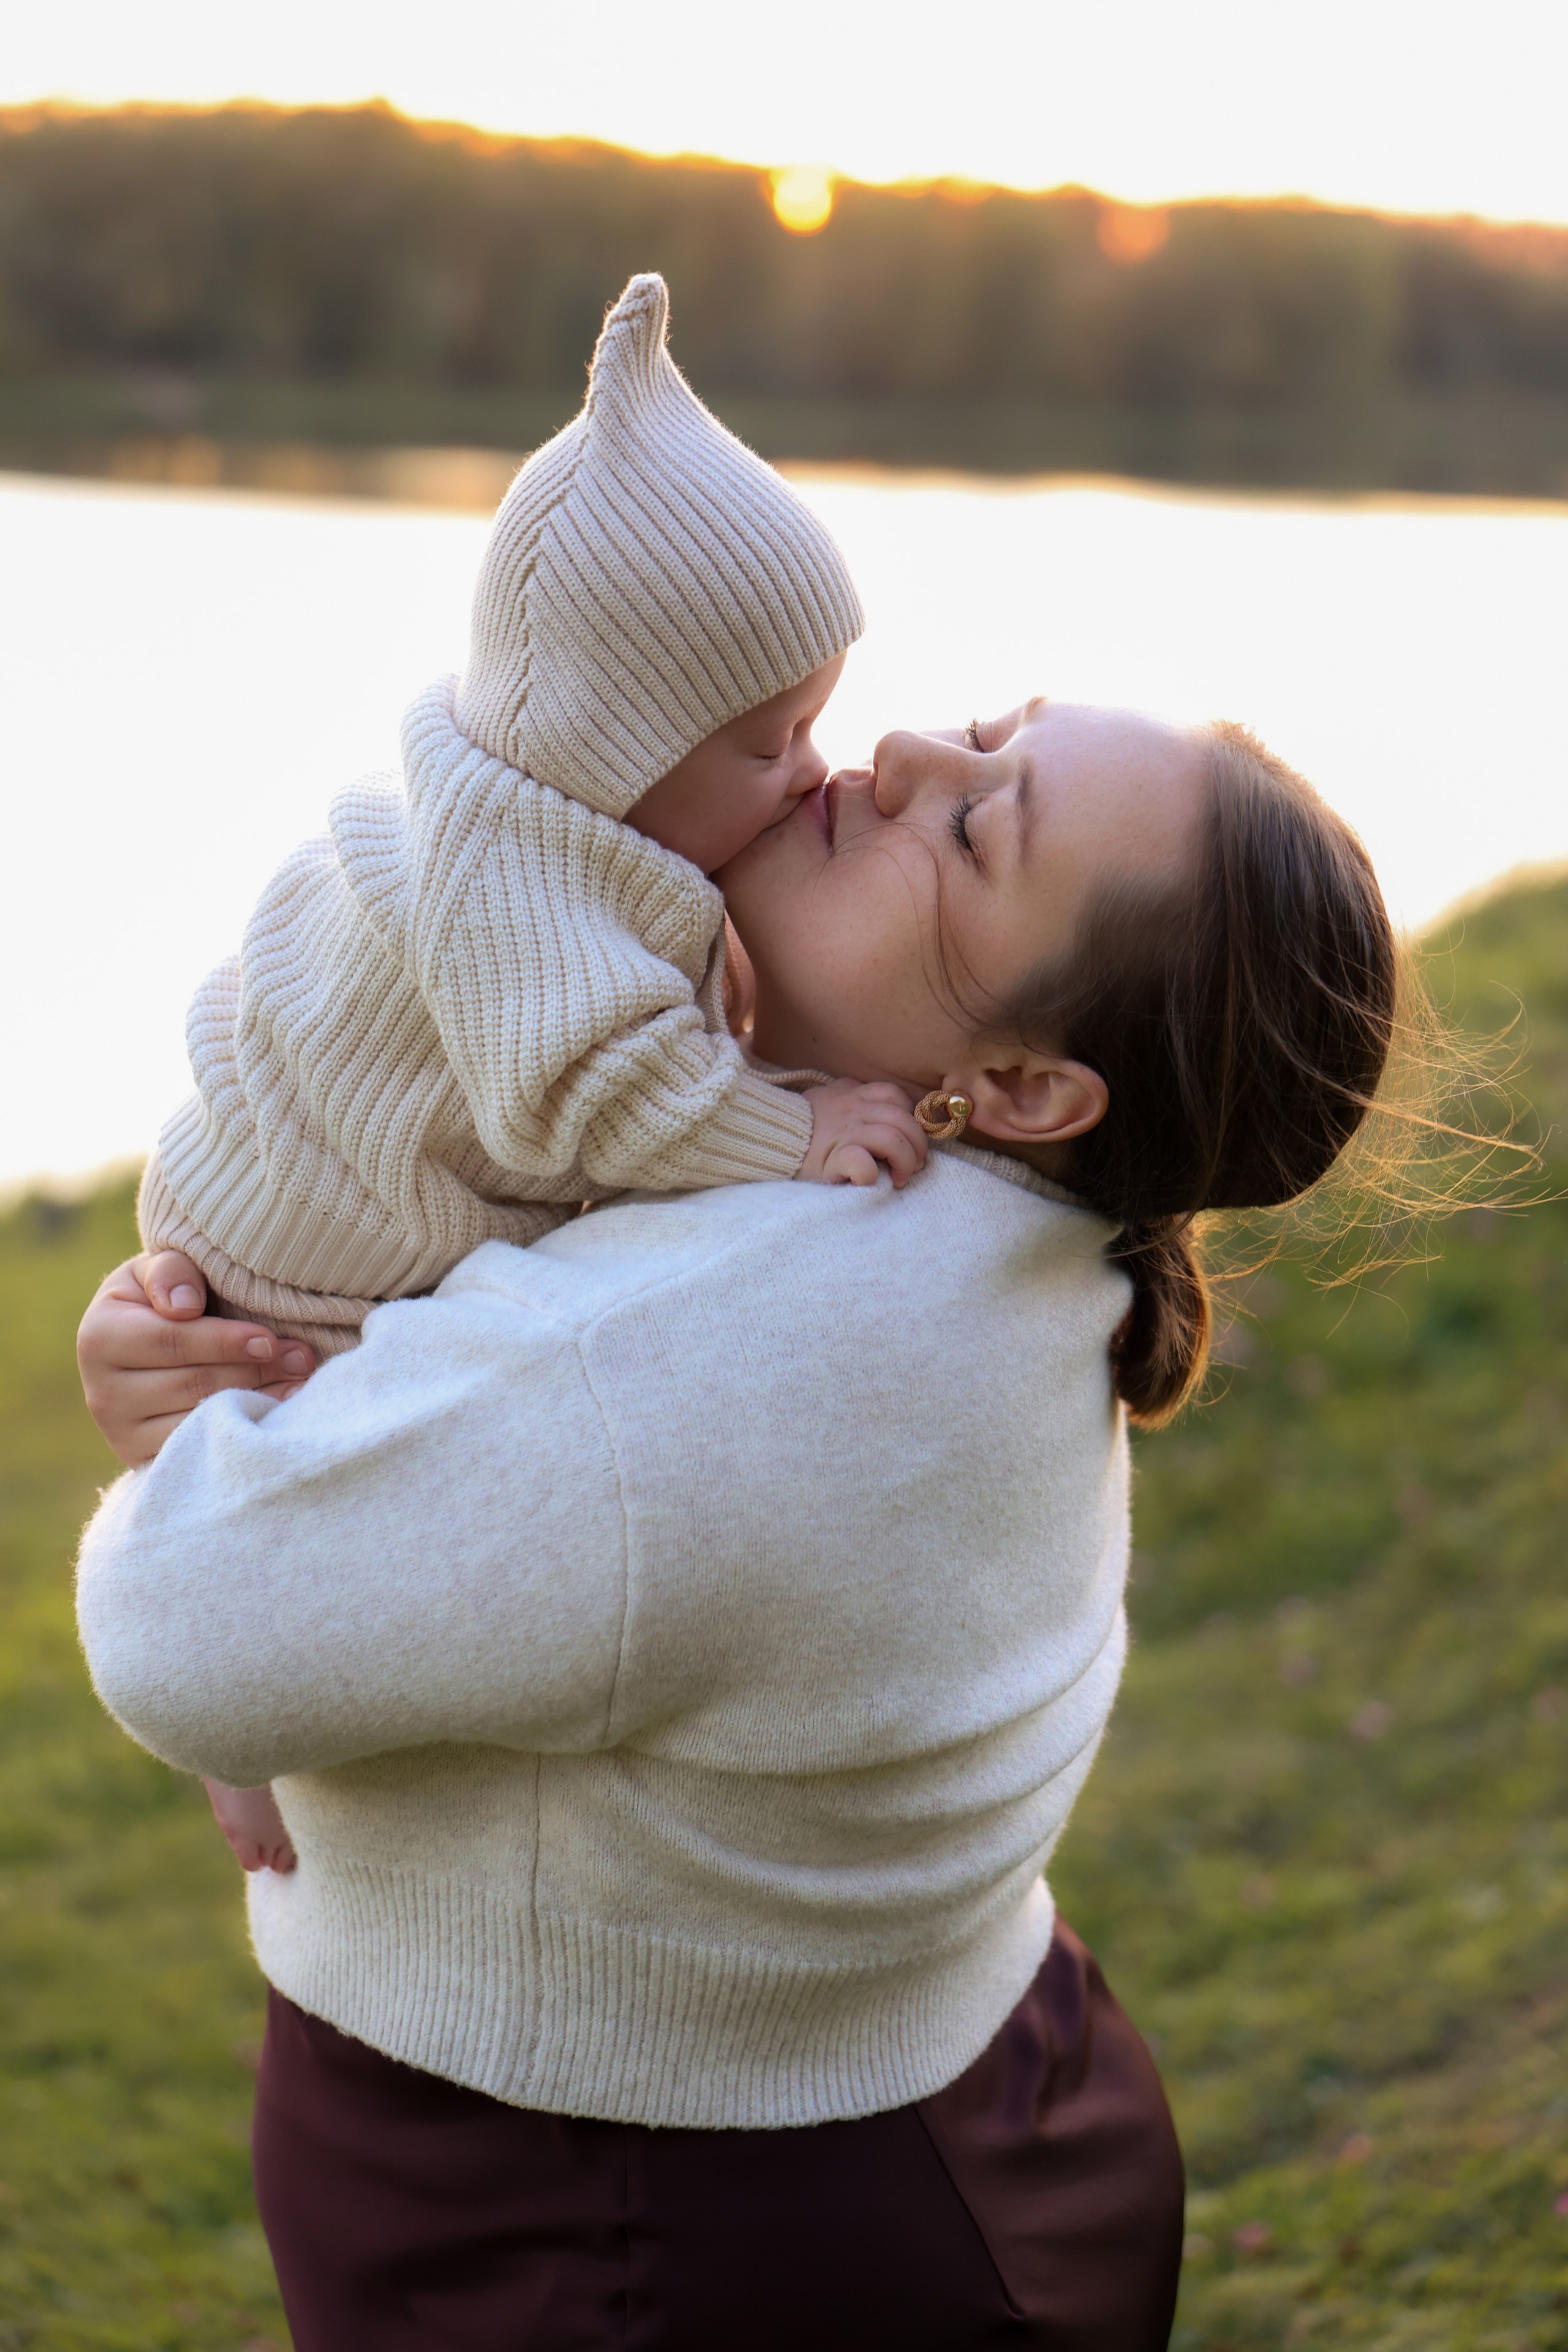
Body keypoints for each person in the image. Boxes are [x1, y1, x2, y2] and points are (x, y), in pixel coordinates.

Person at [77, 690, 1400, 2349]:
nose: (911, 757)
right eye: (990, 731)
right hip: (957, 2101)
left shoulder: (732, 1343)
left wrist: (195, 1435)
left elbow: (184, 1629)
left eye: (979, 830)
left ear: (1021, 1084)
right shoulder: (983, 1230)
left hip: (634, 2222)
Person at [134, 270, 927, 1877]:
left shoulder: (565, 818)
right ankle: (241, 1748)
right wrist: (796, 1126)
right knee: (283, 1534)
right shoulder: (519, 873)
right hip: (300, 1254)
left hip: (292, 1196)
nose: (816, 770)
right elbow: (578, 1095)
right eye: (769, 745)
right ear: (616, 750)